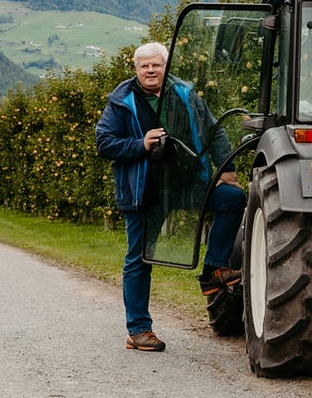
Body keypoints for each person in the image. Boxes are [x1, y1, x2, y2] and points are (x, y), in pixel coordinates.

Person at [95, 41, 246, 352]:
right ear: (135, 69)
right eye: (144, 66)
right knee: (138, 257)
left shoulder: (184, 94)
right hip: (145, 190)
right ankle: (138, 329)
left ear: (166, 67)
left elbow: (214, 131)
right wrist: (141, 143)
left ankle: (214, 269)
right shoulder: (122, 101)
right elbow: (105, 143)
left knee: (232, 199)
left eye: (156, 65)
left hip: (187, 184)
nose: (151, 70)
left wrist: (226, 169)